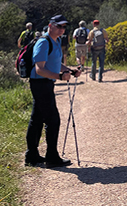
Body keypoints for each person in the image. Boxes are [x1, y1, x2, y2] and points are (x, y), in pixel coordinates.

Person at [25, 14, 81, 167]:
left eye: (64, 27)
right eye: (59, 26)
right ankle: (51, 157)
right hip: (40, 83)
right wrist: (60, 76)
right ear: (50, 26)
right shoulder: (43, 43)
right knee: (53, 120)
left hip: (46, 84)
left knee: (36, 119)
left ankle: (32, 156)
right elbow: (40, 69)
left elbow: (56, 64)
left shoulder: (55, 42)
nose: (62, 29)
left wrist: (70, 70)